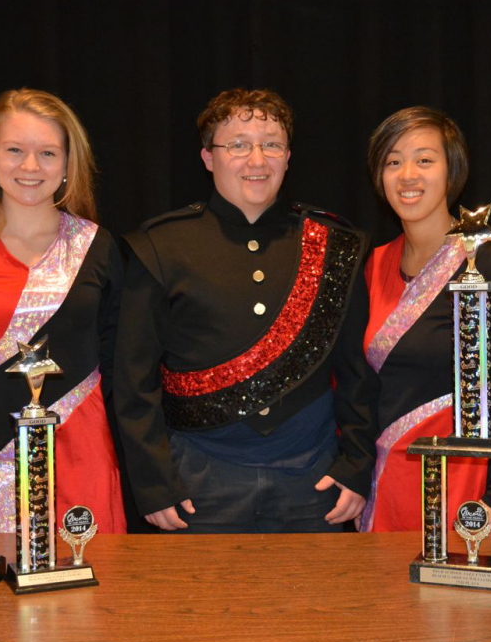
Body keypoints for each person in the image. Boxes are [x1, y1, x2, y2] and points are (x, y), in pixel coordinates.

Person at [115, 88, 378, 533]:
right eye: (237, 144)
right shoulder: (161, 246)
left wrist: (356, 463)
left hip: (314, 480)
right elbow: (133, 380)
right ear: (207, 157)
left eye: (271, 144)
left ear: (288, 156)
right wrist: (154, 482)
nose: (257, 159)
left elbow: (357, 370)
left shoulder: (333, 244)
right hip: (196, 481)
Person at [0, 88, 127, 533]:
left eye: (47, 153)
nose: (30, 167)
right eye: (15, 150)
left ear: (68, 164)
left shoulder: (98, 245)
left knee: (99, 590)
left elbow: (119, 360)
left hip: (84, 453)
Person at [359, 107, 491, 532]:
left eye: (424, 160)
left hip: (464, 489)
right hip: (388, 486)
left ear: (452, 171)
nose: (407, 174)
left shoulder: (487, 261)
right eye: (393, 161)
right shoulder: (372, 266)